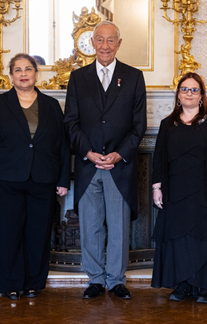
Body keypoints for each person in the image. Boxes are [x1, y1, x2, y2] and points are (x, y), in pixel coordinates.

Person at [0, 53, 71, 300]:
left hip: (43, 180)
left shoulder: (51, 105)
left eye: (28, 69)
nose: (23, 74)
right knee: (7, 234)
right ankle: (10, 284)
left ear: (36, 74)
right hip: (5, 181)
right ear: (11, 76)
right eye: (18, 70)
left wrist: (63, 179)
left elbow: (62, 145)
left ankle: (33, 283)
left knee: (37, 234)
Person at [64, 21, 147, 299]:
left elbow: (139, 126)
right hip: (88, 164)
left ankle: (116, 279)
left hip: (119, 166)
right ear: (92, 43)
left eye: (111, 40)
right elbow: (71, 122)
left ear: (119, 44)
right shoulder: (78, 78)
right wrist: (88, 152)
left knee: (119, 226)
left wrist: (119, 153)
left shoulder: (134, 77)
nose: (105, 46)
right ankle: (96, 279)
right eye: (99, 40)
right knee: (90, 225)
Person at [151, 72, 207, 304]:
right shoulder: (167, 124)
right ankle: (183, 285)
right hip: (175, 192)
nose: (189, 93)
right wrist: (156, 188)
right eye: (184, 89)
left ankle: (206, 287)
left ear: (201, 95)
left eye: (194, 89)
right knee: (179, 239)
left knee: (205, 238)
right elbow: (158, 158)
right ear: (178, 95)